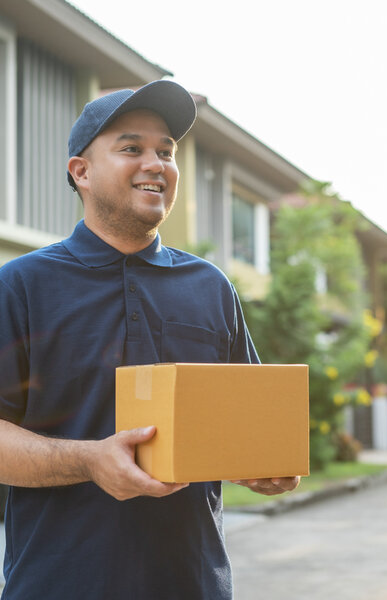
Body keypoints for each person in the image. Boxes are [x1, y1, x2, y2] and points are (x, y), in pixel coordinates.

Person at [0, 80, 300, 599]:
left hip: (193, 584)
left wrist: (263, 463)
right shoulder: (21, 285)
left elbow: (246, 422)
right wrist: (88, 460)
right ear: (82, 171)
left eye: (166, 151)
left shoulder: (210, 287)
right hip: (59, 586)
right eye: (131, 148)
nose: (155, 163)